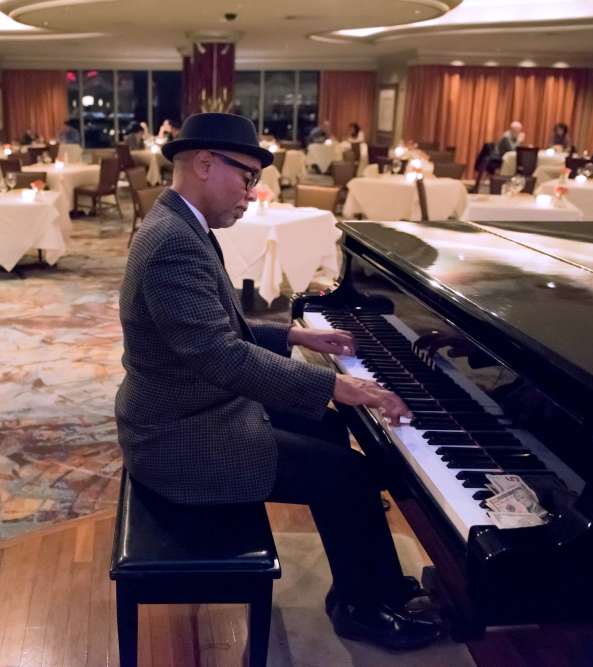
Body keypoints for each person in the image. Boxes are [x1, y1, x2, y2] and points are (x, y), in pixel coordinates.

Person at [116, 112, 442, 652]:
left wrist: (296, 336)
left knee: (332, 431)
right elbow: (218, 356)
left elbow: (220, 329)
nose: (253, 190)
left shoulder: (180, 224)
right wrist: (337, 386)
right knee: (350, 476)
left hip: (192, 408)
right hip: (177, 437)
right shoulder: (173, 241)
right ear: (203, 163)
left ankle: (363, 580)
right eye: (246, 176)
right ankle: (364, 606)